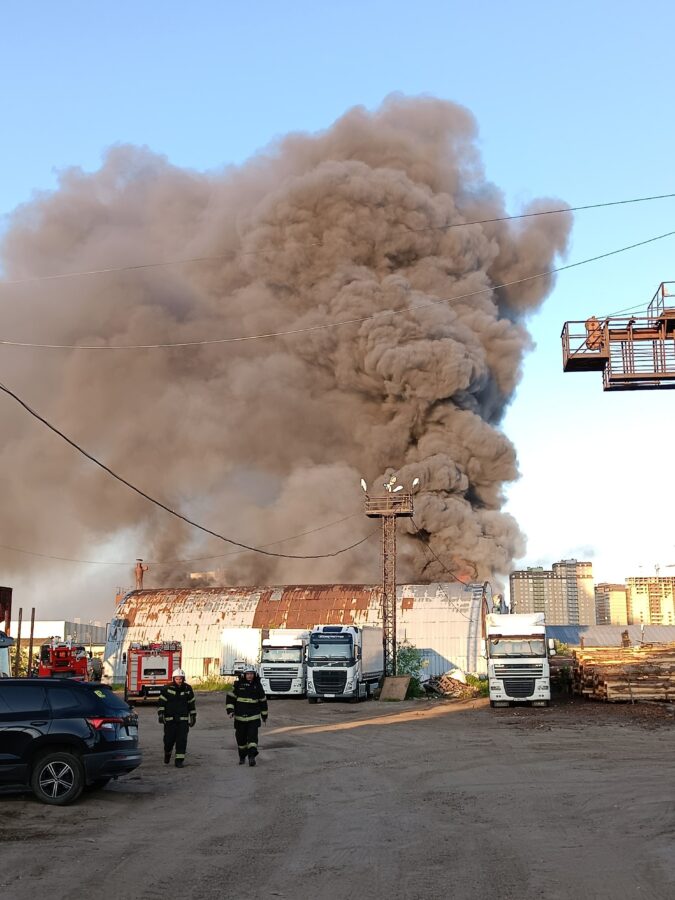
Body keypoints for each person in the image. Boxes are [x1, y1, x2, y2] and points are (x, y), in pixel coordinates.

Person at [226, 666, 268, 767]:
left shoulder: (258, 685)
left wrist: (264, 715)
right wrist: (230, 711)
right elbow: (231, 698)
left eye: (252, 674)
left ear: (255, 675)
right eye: (248, 674)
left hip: (253, 717)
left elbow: (263, 700)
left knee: (253, 738)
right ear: (244, 675)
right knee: (241, 739)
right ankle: (242, 756)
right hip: (240, 717)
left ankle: (252, 756)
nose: (250, 676)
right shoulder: (238, 685)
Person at [157, 668, 196, 768]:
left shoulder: (188, 689)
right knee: (168, 741)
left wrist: (193, 716)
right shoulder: (167, 689)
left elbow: (191, 703)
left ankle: (179, 761)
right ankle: (167, 753)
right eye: (177, 679)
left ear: (183, 679)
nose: (179, 681)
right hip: (170, 720)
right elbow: (161, 703)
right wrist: (161, 714)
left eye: (181, 679)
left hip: (183, 721)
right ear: (173, 679)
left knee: (182, 741)